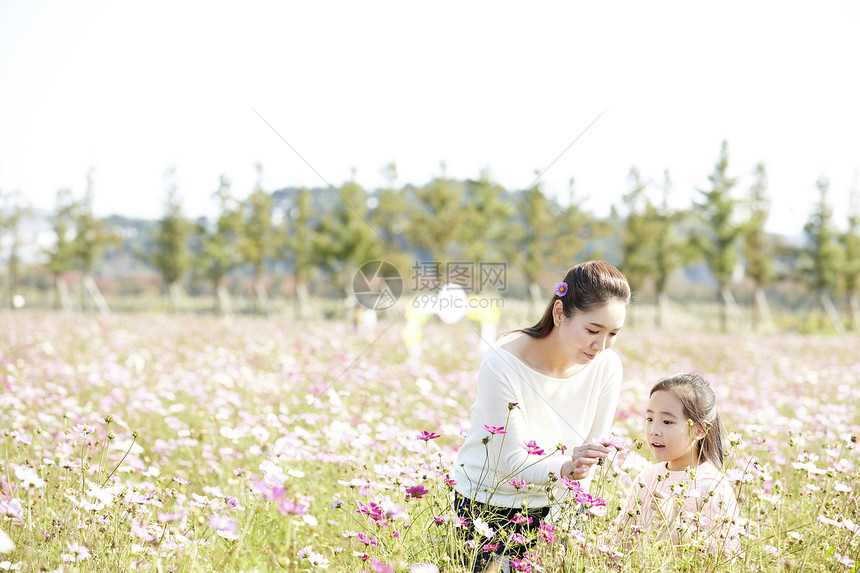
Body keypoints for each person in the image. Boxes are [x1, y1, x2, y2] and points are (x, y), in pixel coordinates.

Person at [453, 261, 631, 571]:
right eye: (593, 330)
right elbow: (511, 464)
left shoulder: (607, 366)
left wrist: (570, 524)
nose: (601, 346)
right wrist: (567, 465)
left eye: (613, 333)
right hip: (488, 507)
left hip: (558, 509)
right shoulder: (503, 362)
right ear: (559, 314)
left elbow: (590, 456)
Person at [614, 373, 742, 556]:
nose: (654, 431)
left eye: (667, 422)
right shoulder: (647, 478)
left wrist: (673, 520)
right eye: (649, 419)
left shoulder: (712, 485)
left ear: (699, 430)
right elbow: (620, 537)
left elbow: (725, 555)